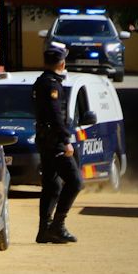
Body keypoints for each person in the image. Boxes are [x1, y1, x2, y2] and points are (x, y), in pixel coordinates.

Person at [33, 43, 81, 244]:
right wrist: (66, 140)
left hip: (46, 140)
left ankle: (44, 230)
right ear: (61, 63)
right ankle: (57, 226)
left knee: (51, 185)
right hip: (54, 142)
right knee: (75, 181)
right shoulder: (51, 84)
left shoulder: (41, 81)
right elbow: (55, 115)